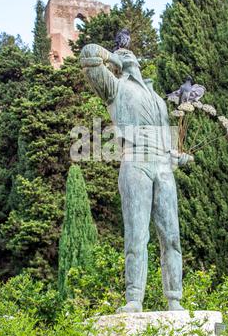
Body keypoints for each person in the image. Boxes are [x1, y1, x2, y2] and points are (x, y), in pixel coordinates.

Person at [80, 36, 193, 313]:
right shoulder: (115, 89)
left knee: (172, 237)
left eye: (127, 51)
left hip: (163, 168)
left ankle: (174, 299)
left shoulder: (158, 99)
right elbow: (88, 55)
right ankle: (134, 299)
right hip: (135, 164)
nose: (124, 53)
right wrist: (113, 58)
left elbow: (166, 142)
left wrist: (176, 157)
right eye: (120, 52)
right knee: (137, 236)